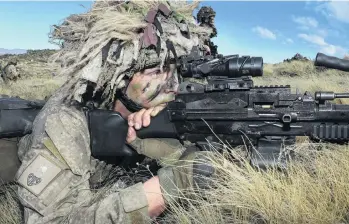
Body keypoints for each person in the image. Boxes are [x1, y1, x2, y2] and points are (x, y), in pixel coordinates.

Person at [15, 1, 217, 223]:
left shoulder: (160, 108)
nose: (173, 84)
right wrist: (165, 189)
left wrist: (169, 150)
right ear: (118, 76)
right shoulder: (65, 119)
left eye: (174, 69)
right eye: (156, 70)